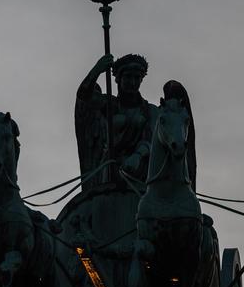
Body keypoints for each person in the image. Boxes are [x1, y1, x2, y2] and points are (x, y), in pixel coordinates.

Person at [74, 54, 197, 189]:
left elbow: (153, 140)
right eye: (128, 77)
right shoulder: (108, 105)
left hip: (143, 175)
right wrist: (97, 69)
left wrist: (138, 156)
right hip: (111, 172)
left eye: (137, 77)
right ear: (118, 79)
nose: (132, 82)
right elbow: (83, 96)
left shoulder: (151, 111)